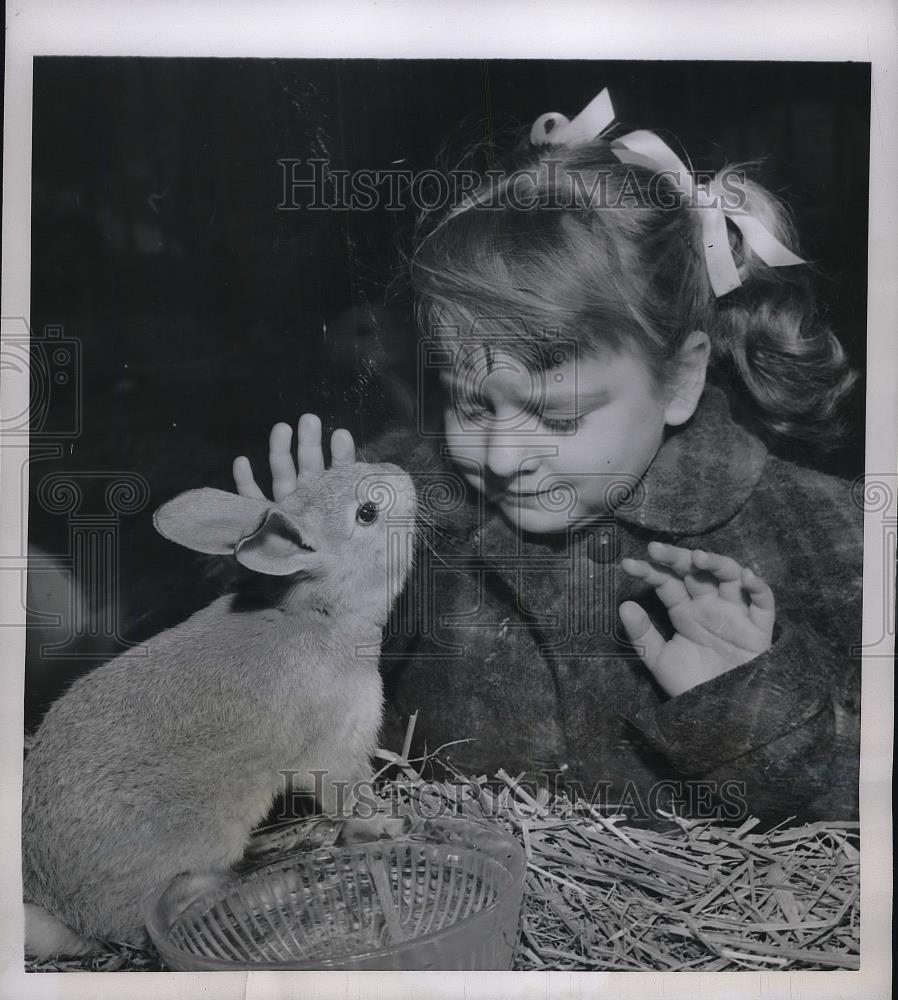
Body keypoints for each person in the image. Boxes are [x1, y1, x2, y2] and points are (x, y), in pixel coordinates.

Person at [232, 89, 862, 826]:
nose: (501, 457)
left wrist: (751, 703)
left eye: (557, 414)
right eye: (470, 402)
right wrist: (303, 589)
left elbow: (862, 807)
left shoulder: (826, 535)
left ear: (682, 378)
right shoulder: (402, 495)